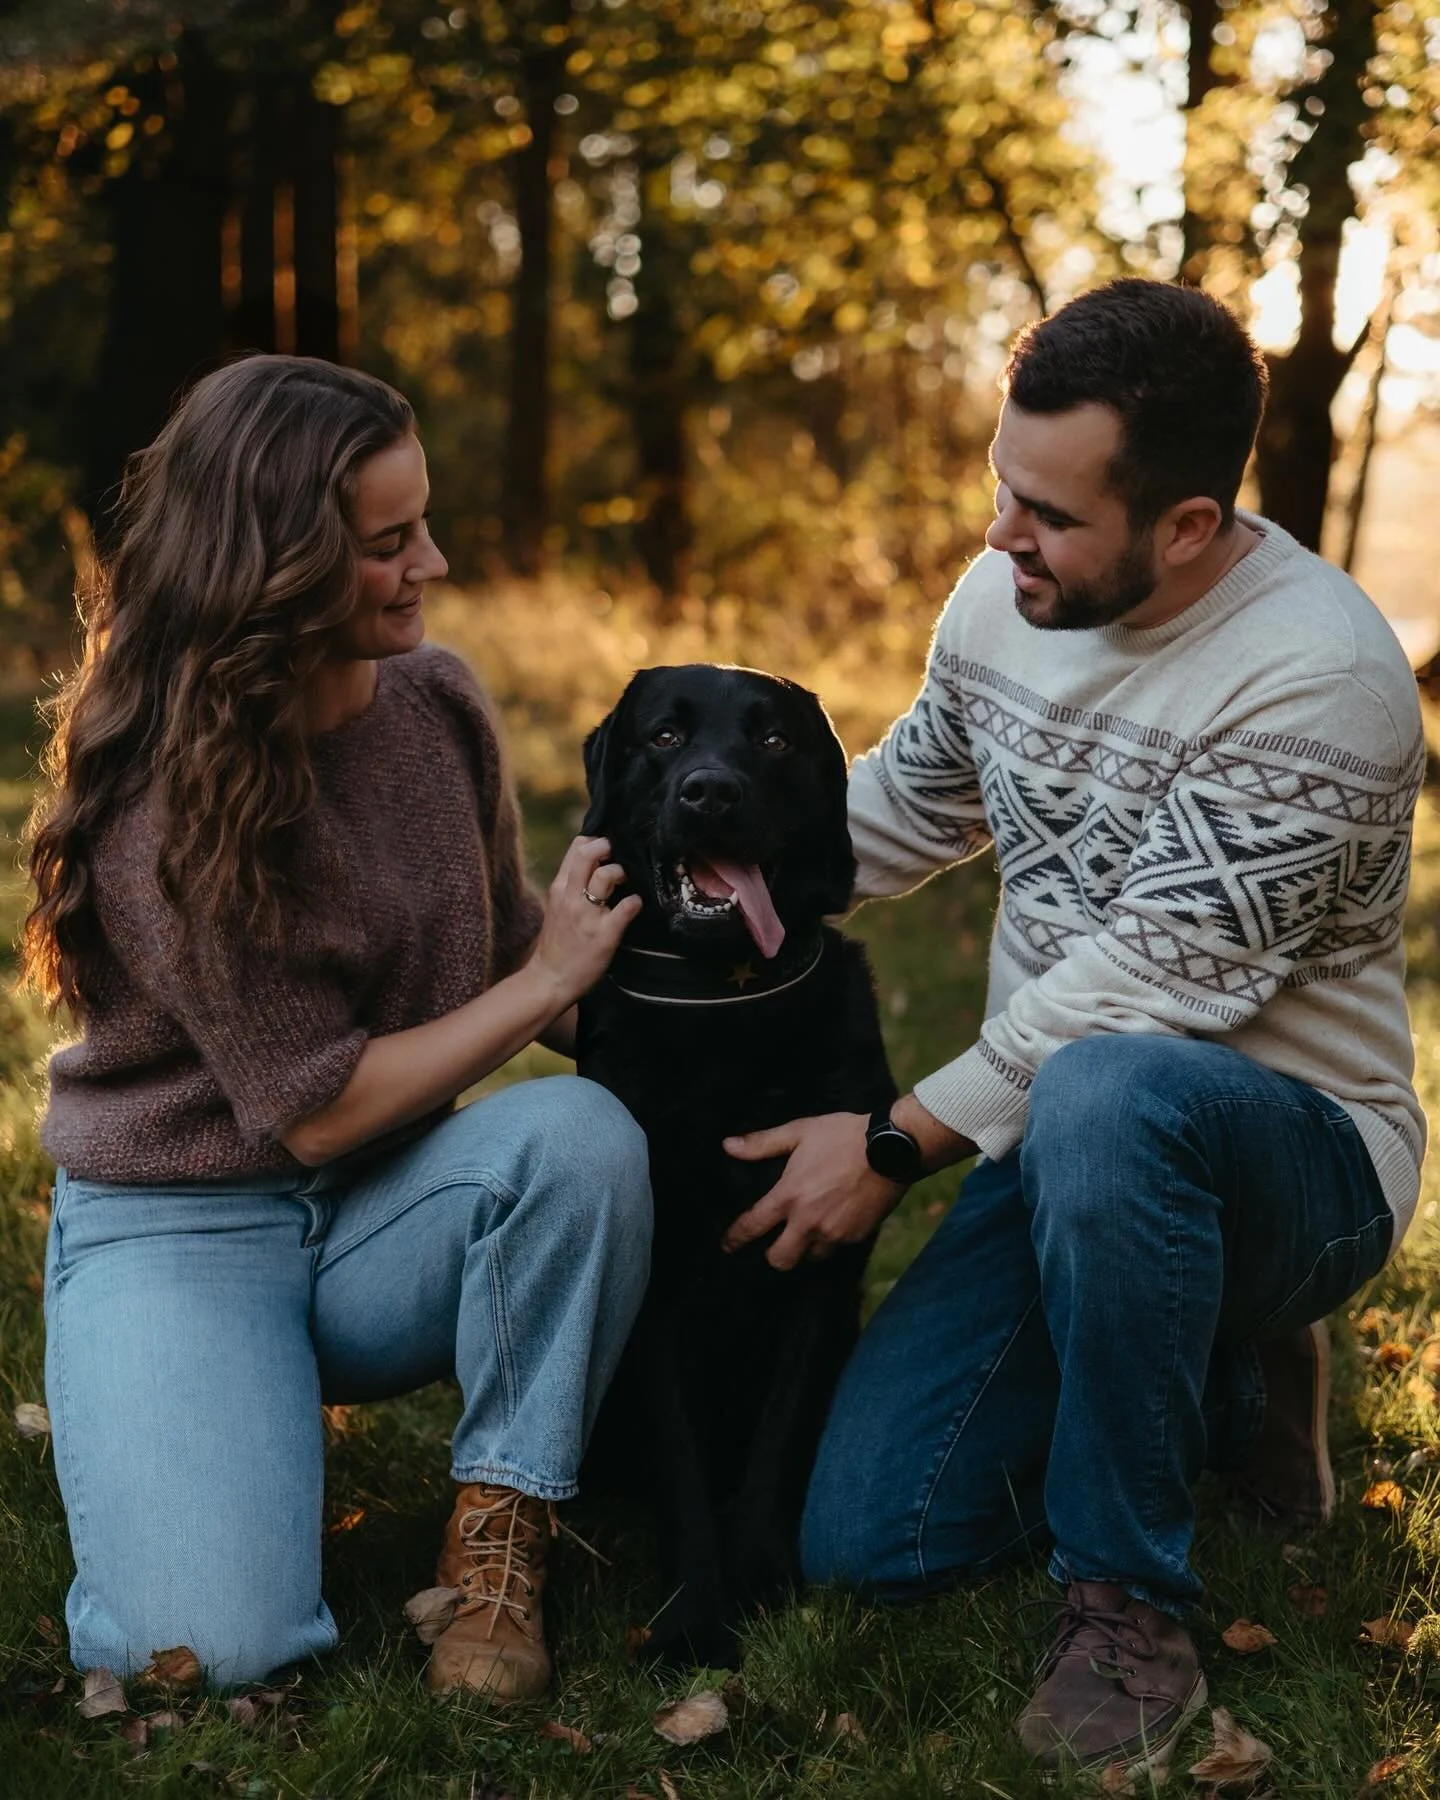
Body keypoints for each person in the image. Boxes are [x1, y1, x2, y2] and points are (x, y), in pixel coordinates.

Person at [721, 279, 1426, 1775]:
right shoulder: (1009, 597)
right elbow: (909, 802)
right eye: (1001, 490)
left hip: (1294, 1163)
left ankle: (1129, 1606)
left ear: (1182, 527)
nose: (998, 538)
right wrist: (700, 885)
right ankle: (1215, 1371)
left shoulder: (1321, 679)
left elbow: (1143, 989)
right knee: (875, 1537)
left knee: (1113, 1087)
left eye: (1045, 513)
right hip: (1061, 1152)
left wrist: (895, 1142)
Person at [22, 355, 651, 1700]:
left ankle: (501, 1539)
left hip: (386, 1204)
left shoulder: (437, 706)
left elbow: (496, 958)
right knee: (206, 1656)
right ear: (277, 566)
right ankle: (205, 1399)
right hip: (180, 1223)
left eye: (422, 520)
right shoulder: (158, 793)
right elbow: (316, 1106)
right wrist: (546, 981)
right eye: (386, 543)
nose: (431, 560)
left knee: (582, 1138)